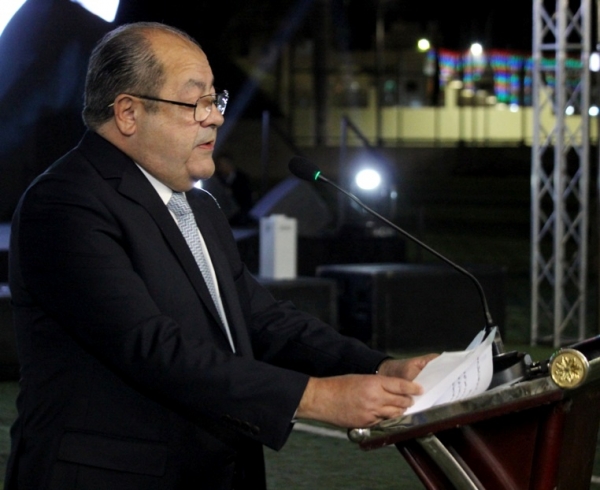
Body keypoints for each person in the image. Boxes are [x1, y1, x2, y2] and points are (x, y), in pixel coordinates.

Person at [6, 22, 436, 489]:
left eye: (216, 100)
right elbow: (150, 347)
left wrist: (379, 366)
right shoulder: (65, 202)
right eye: (196, 102)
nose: (214, 118)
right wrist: (317, 397)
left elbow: (264, 321)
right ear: (128, 113)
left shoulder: (198, 206)